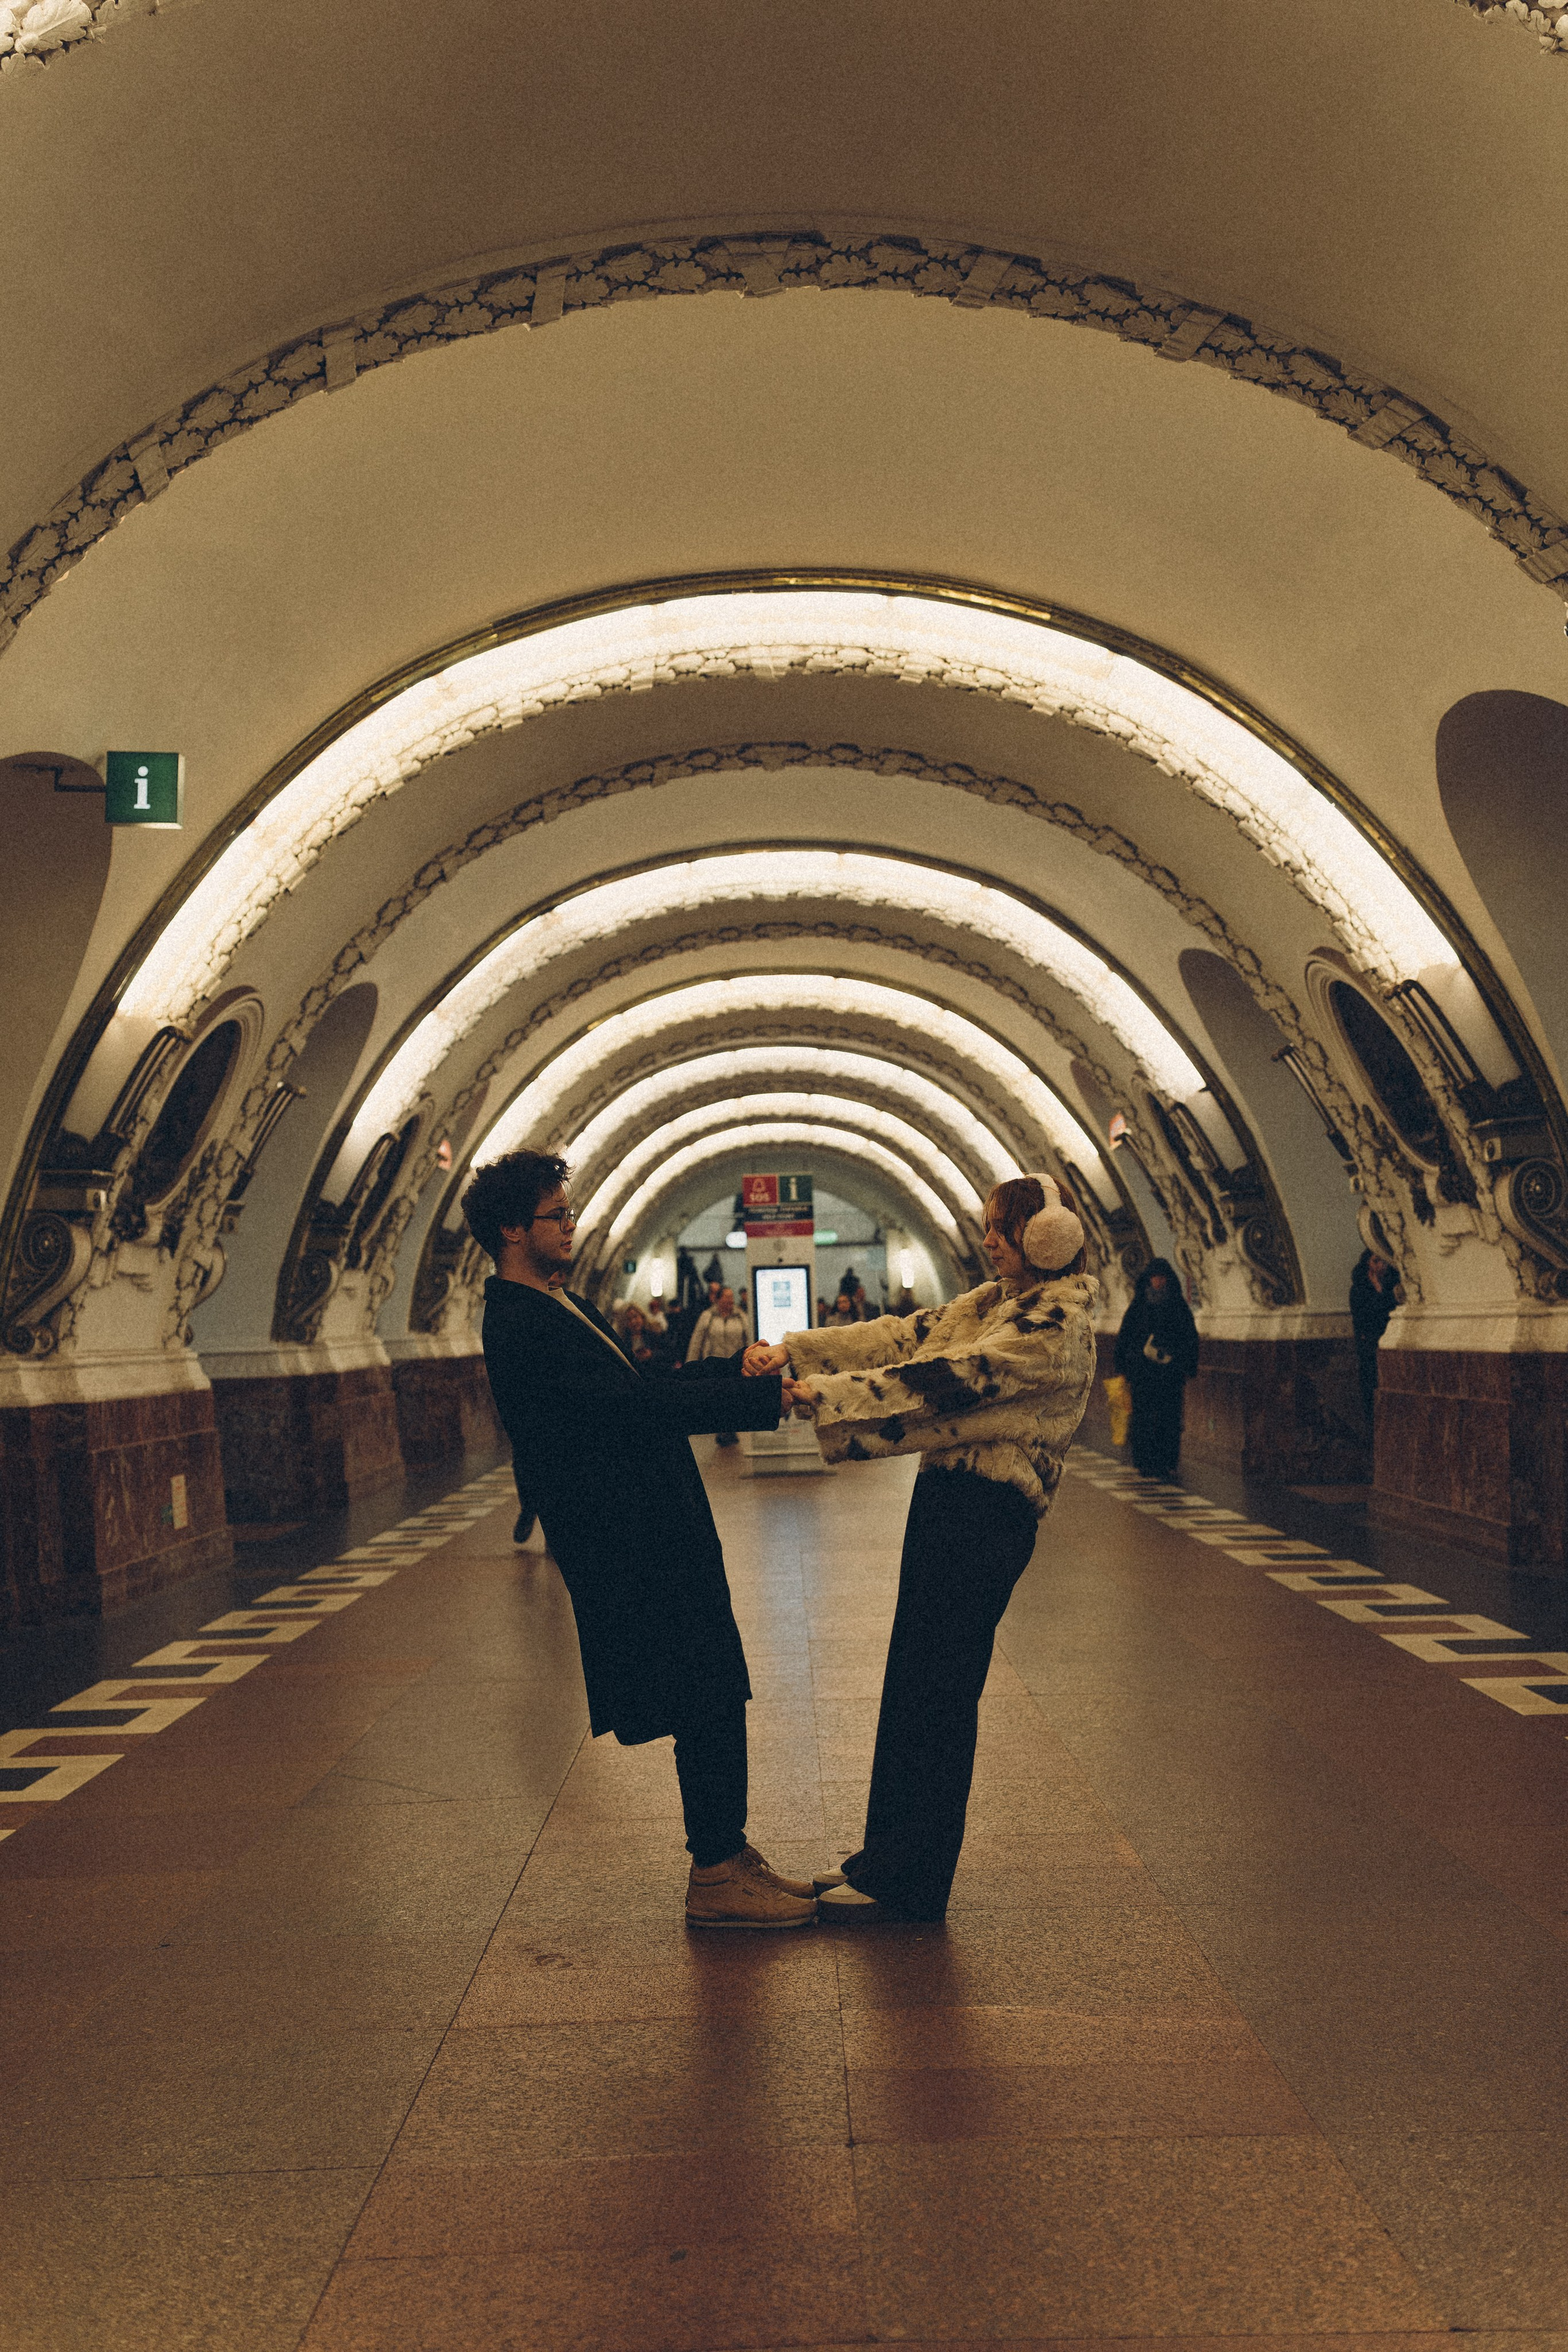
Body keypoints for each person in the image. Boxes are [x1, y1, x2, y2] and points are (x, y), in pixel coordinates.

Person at [466, 1149, 818, 1929]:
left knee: (715, 1686)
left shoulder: (565, 1302)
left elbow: (642, 1381)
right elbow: (630, 1413)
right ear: (511, 1229)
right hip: (629, 1542)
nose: (572, 1224)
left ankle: (728, 1851)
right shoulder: (519, 1324)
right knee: (703, 1690)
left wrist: (739, 1372)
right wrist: (757, 1400)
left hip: (657, 1524)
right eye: (557, 1215)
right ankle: (716, 1870)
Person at [744, 1173, 1097, 1922]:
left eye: (1002, 1229)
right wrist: (795, 1353)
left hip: (990, 1514)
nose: (988, 1241)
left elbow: (949, 1380)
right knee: (914, 1684)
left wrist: (825, 1398)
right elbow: (907, 1336)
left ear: (1047, 1239)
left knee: (941, 1693)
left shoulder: (1053, 1328)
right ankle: (885, 1861)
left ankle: (913, 1883)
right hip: (949, 1500)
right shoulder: (998, 1304)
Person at [1114, 1258, 1200, 1480]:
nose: (1158, 1281)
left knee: (1168, 1419)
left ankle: (1166, 1460)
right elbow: (1125, 1337)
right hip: (1143, 1373)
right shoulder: (1138, 1307)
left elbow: (1190, 1338)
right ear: (1148, 1279)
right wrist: (1123, 1365)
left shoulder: (1178, 1307)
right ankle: (1144, 1461)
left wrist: (1186, 1365)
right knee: (1143, 1418)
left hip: (1169, 1374)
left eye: (1162, 1277)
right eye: (1155, 1277)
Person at [686, 1283, 750, 1447]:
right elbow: (697, 1341)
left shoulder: (741, 1317)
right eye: (727, 1297)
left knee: (734, 1399)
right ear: (718, 1299)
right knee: (718, 1398)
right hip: (714, 1365)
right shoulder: (707, 1317)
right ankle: (721, 1431)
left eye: (731, 1297)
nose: (731, 1300)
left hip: (735, 1365)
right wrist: (691, 1365)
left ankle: (732, 1429)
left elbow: (749, 1340)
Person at [1349, 1248, 1400, 1434]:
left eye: (1384, 1262)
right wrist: (1378, 1291)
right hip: (1370, 1348)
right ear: (1367, 1264)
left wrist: (1381, 1290)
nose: (1381, 1266)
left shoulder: (1394, 1285)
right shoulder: (1359, 1289)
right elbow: (1367, 1318)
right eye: (1376, 1261)